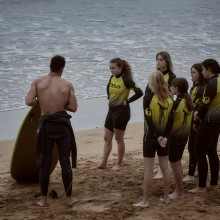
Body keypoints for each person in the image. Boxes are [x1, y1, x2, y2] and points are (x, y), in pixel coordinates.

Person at [25, 55, 79, 207]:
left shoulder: (38, 82)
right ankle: (69, 198)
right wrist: (62, 105)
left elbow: (29, 101)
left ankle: (43, 200)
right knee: (64, 161)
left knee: (44, 163)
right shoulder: (67, 85)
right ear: (62, 68)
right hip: (62, 126)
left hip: (46, 127)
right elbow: (73, 107)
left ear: (50, 66)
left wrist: (41, 103)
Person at [92, 57, 143, 171]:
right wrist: (110, 98)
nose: (111, 70)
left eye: (113, 68)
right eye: (110, 68)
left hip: (122, 112)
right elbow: (108, 87)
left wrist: (128, 100)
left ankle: (119, 164)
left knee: (118, 138)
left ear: (120, 68)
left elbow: (139, 92)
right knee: (106, 137)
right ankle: (103, 163)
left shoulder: (126, 79)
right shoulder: (112, 78)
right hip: (112, 110)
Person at [133, 70, 173, 208]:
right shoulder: (169, 98)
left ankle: (145, 201)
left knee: (148, 170)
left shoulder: (149, 97)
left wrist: (157, 136)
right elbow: (170, 121)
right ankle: (166, 197)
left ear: (152, 82)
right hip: (165, 139)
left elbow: (148, 119)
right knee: (165, 168)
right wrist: (165, 136)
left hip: (151, 137)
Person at [189, 59, 220, 193]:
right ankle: (213, 183)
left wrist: (196, 120)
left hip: (209, 121)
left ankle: (201, 186)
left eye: (202, 69)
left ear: (209, 69)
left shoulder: (211, 84)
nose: (202, 72)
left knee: (199, 152)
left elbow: (204, 105)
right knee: (212, 151)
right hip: (218, 122)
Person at [152, 51, 176, 179]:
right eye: (157, 59)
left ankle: (163, 169)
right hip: (156, 108)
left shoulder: (172, 76)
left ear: (167, 61)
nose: (158, 62)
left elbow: (172, 96)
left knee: (164, 138)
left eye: (161, 59)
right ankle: (161, 165)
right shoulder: (156, 75)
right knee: (157, 137)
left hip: (166, 109)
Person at [168, 78, 193, 199]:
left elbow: (169, 116)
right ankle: (179, 188)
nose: (171, 89)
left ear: (176, 88)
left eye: (172, 87)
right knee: (177, 162)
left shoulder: (177, 102)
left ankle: (179, 192)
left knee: (174, 163)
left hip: (175, 136)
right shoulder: (188, 100)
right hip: (184, 136)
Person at [183, 63, 208, 182]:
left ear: (200, 73)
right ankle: (196, 169)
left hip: (199, 120)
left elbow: (199, 105)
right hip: (193, 118)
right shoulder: (194, 85)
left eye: (194, 72)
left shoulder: (203, 87)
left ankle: (191, 173)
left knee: (193, 147)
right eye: (191, 72)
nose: (191, 75)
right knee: (195, 147)